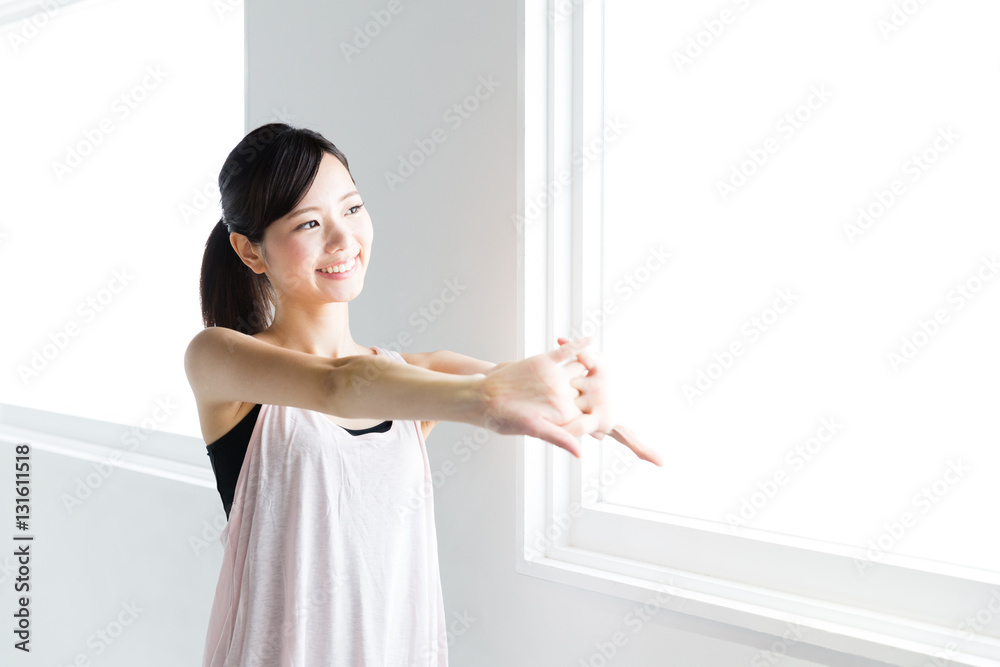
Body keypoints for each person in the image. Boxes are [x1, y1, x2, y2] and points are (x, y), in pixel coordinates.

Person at [185, 123, 662, 667]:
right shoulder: (218, 359)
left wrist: (585, 397)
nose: (343, 240)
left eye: (353, 209)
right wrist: (485, 398)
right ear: (250, 251)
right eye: (310, 223)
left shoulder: (415, 373)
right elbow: (336, 385)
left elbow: (516, 381)